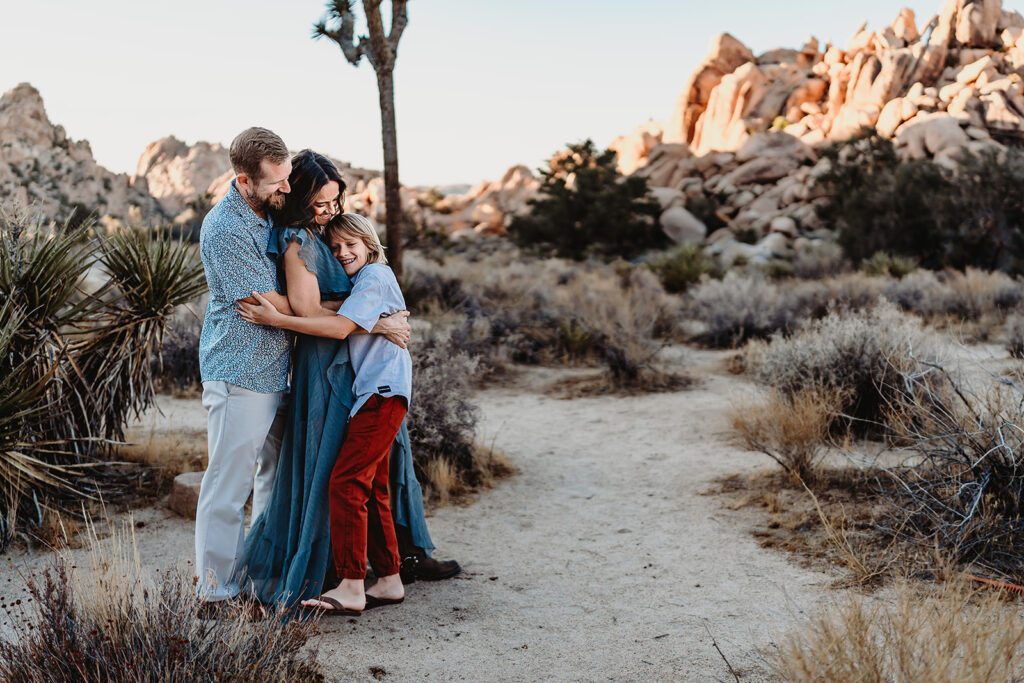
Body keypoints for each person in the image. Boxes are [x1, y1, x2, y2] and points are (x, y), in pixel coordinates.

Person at [235, 151, 458, 610]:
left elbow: (358, 296)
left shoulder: (336, 234)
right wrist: (376, 321)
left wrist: (373, 318)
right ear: (299, 199)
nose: (329, 212)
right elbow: (313, 312)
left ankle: (401, 560)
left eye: (335, 201)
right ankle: (345, 570)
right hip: (331, 363)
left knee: (385, 467)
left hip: (367, 368)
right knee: (343, 470)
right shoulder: (298, 240)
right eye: (320, 203)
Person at [240, 213, 412, 613]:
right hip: (379, 394)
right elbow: (337, 314)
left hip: (380, 395)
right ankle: (389, 579)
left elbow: (337, 329)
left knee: (346, 483)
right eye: (335, 248)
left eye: (351, 244)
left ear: (369, 244)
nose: (342, 252)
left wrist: (275, 319)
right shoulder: (366, 284)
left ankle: (352, 584)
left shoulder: (373, 278)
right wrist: (380, 324)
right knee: (375, 488)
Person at [194, 127, 295, 607]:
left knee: (273, 475)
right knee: (228, 484)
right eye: (277, 181)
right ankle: (215, 591)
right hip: (239, 371)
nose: (287, 189)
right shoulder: (225, 228)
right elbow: (272, 302)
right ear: (243, 180)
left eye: (288, 177)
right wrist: (347, 315)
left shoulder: (267, 213)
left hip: (276, 371)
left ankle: (255, 573)